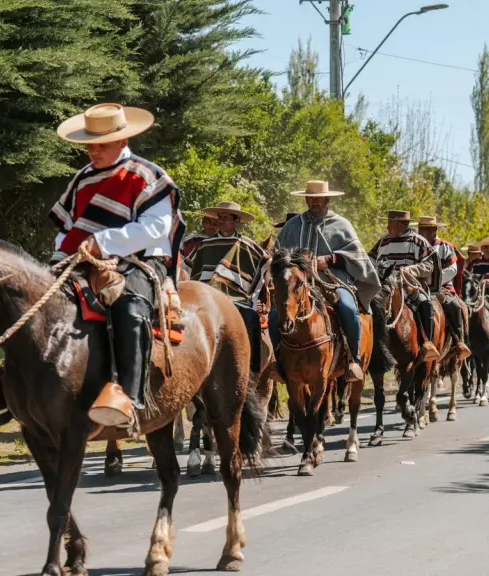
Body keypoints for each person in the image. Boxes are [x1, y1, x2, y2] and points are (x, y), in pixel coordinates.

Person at [49, 103, 186, 429]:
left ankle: (129, 397)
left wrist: (103, 242)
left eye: (100, 145)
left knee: (130, 306)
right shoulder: (81, 179)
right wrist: (61, 255)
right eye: (89, 144)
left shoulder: (149, 176)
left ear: (122, 141)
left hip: (142, 259)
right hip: (84, 261)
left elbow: (154, 229)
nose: (92, 151)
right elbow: (68, 230)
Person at [274, 181, 380, 382]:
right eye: (311, 198)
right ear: (305, 199)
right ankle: (274, 361)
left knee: (348, 308)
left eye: (319, 199)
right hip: (296, 285)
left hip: (333, 280)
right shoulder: (292, 225)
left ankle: (353, 361)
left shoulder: (342, 224)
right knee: (274, 314)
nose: (315, 202)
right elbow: (279, 256)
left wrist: (330, 260)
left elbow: (357, 255)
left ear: (327, 199)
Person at [187, 202, 269, 374]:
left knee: (251, 318)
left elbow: (266, 264)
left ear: (236, 220)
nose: (222, 221)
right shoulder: (205, 245)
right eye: (220, 218)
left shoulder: (248, 246)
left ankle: (252, 371)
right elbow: (191, 270)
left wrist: (257, 299)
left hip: (237, 299)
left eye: (226, 218)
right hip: (206, 296)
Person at [368, 210, 441, 363]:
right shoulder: (383, 241)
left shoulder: (419, 241)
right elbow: (370, 260)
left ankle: (428, 343)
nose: (387, 227)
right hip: (385, 286)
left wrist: (410, 270)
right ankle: (370, 346)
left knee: (425, 302)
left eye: (390, 223)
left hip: (409, 285)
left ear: (401, 224)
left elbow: (430, 265)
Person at [412, 216, 473, 360]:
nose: (423, 232)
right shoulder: (415, 246)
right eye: (421, 229)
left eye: (426, 229)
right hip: (415, 285)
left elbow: (452, 269)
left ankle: (459, 342)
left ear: (434, 230)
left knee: (454, 306)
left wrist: (432, 281)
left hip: (442, 286)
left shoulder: (446, 246)